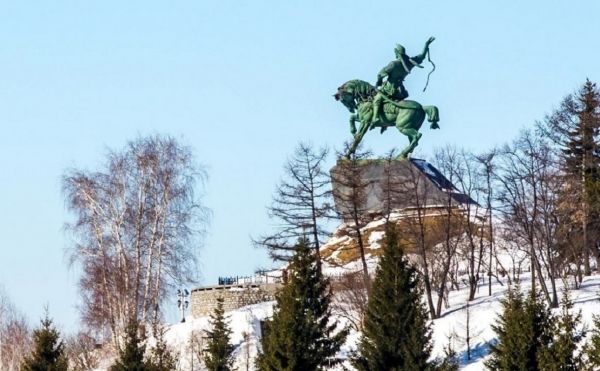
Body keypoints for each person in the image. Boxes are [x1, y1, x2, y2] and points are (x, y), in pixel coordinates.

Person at [370, 37, 435, 126]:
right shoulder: (410, 63)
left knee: (376, 100)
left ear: (396, 53)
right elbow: (422, 56)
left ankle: (375, 118)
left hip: (388, 90)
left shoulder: (393, 64)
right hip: (400, 91)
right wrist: (426, 45)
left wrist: (379, 82)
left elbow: (380, 74)